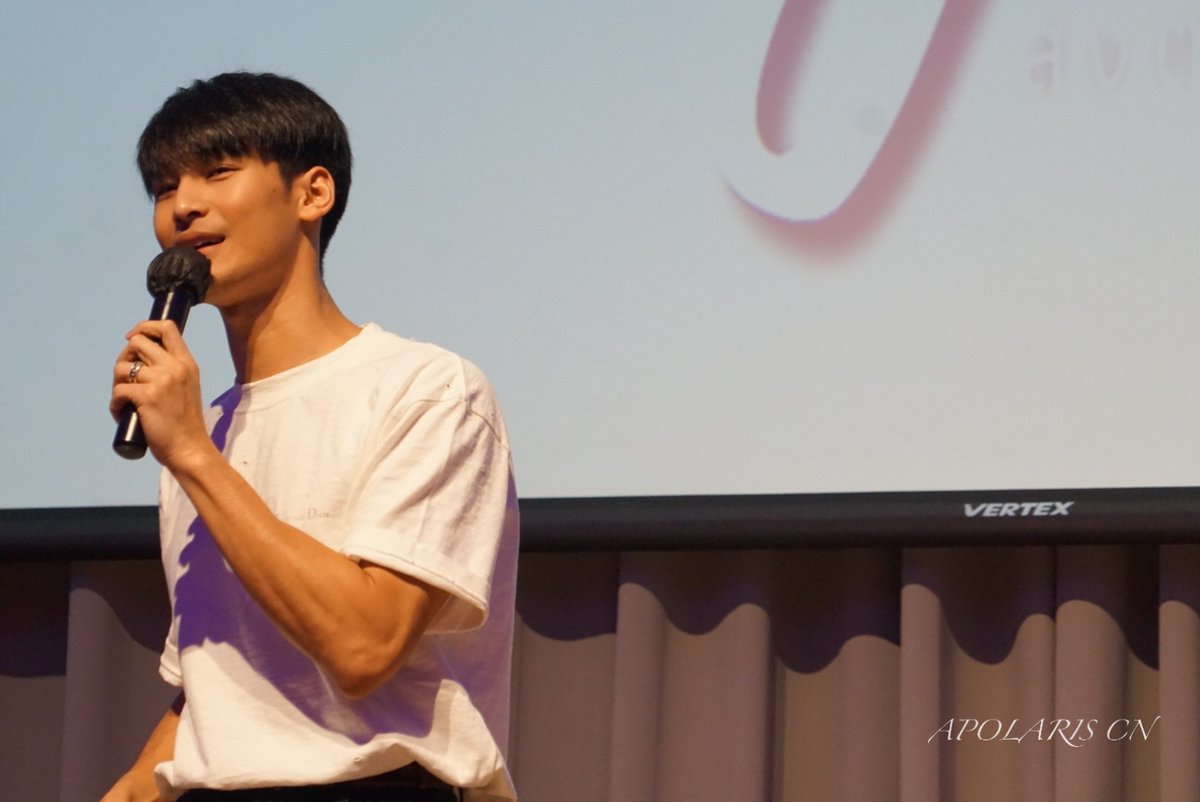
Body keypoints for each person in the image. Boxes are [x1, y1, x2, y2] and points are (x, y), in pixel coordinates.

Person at [102, 72, 519, 802]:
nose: (184, 205)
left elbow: (364, 648)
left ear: (312, 193)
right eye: (165, 189)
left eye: (218, 172)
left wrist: (194, 455)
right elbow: (220, 690)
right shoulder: (199, 433)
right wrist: (135, 789)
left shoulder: (426, 389)